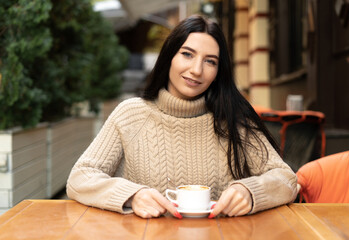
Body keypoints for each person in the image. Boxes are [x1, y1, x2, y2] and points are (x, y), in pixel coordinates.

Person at [66, 15, 298, 219]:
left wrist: (251, 191)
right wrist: (131, 195)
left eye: (210, 61)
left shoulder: (232, 120)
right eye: (187, 54)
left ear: (218, 72)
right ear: (169, 58)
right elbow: (80, 177)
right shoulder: (131, 114)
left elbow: (287, 179)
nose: (197, 70)